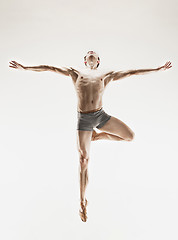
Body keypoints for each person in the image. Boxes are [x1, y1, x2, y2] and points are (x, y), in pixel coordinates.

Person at [9, 51, 172, 222]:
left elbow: (132, 72)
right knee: (83, 159)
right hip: (84, 119)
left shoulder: (106, 75)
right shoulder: (75, 73)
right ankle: (82, 201)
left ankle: (98, 136)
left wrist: (157, 69)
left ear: (98, 61)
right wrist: (25, 67)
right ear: (85, 60)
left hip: (101, 116)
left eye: (94, 53)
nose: (91, 53)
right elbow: (49, 68)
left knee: (129, 136)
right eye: (88, 54)